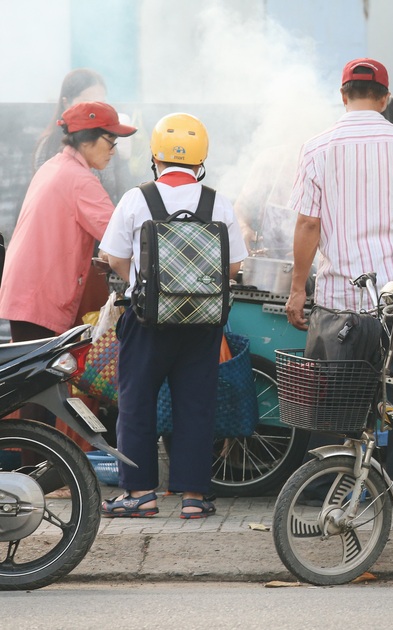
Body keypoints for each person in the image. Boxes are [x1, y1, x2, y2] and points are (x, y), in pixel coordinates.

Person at [285, 58, 393, 507]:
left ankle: (323, 486)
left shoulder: (317, 148)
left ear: (343, 95)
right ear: (384, 98)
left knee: (331, 393)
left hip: (338, 297)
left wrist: (297, 287)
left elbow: (307, 224)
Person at [98, 113, 248, 518]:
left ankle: (140, 494)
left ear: (156, 158)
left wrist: (144, 282)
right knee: (196, 406)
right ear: (201, 161)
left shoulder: (136, 198)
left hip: (146, 321)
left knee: (136, 403)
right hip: (202, 323)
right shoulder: (217, 201)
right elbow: (233, 268)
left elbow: (113, 257)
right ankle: (194, 499)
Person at [0, 101, 136, 345]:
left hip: (28, 289)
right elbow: (121, 235)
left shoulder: (54, 166)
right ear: (86, 140)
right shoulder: (80, 180)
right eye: (111, 140)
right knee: (38, 378)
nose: (114, 150)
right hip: (40, 293)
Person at [32, 68, 131, 205]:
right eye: (88, 102)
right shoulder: (49, 145)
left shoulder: (107, 141)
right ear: (66, 102)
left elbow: (121, 191)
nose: (96, 110)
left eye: (101, 102)